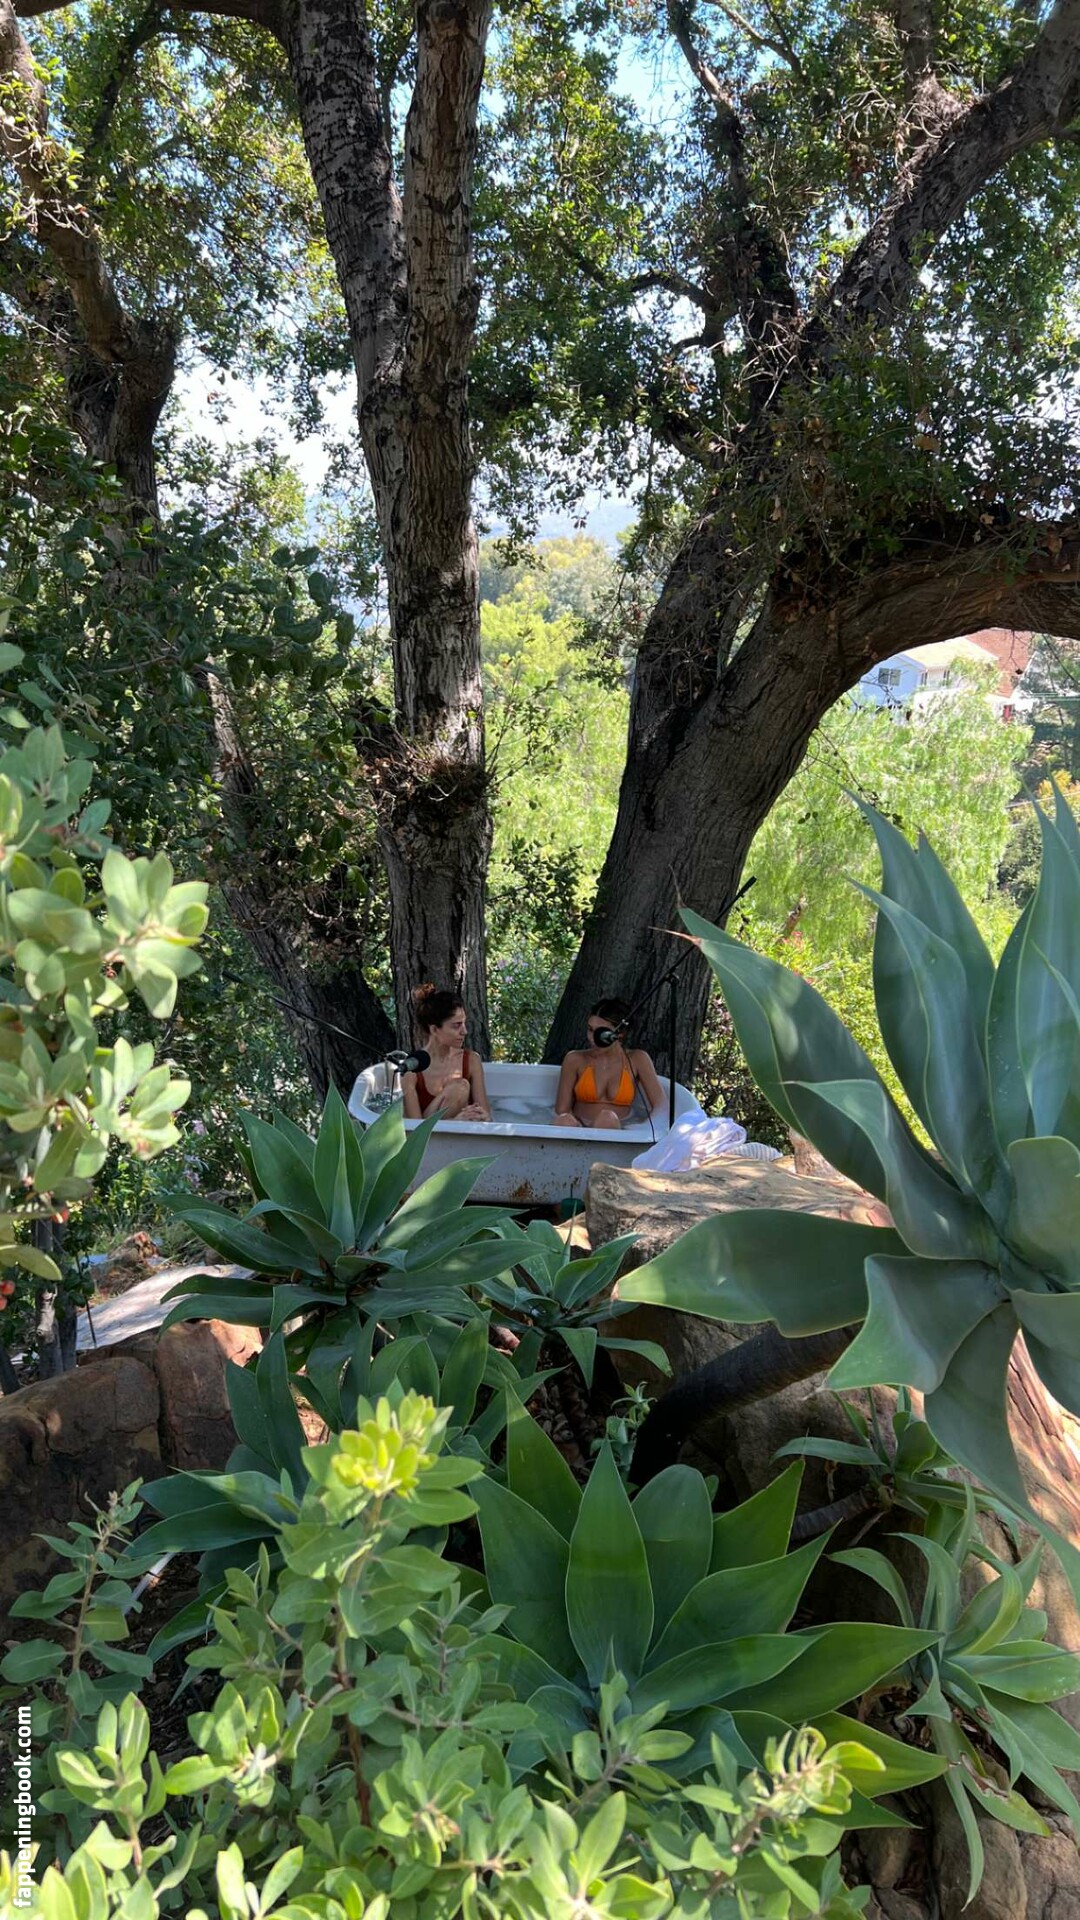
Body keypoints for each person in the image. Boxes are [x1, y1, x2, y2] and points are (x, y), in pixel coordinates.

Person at [552, 997, 665, 1130]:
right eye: (590, 1029)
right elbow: (562, 1109)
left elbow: (661, 1106)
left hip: (618, 1130)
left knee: (607, 1119)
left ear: (620, 1033)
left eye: (600, 1032)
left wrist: (639, 1129)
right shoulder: (574, 1059)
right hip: (579, 1128)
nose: (592, 1038)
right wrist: (578, 1128)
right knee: (564, 1120)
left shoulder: (638, 1059)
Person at [401, 984, 491, 1122]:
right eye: (457, 1025)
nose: (464, 1031)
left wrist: (482, 1117)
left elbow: (487, 1119)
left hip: (463, 1134)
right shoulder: (412, 1068)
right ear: (434, 1030)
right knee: (459, 1088)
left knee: (460, 1086)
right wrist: (455, 1122)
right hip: (428, 1134)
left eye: (464, 1023)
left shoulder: (472, 1060)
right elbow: (414, 1130)